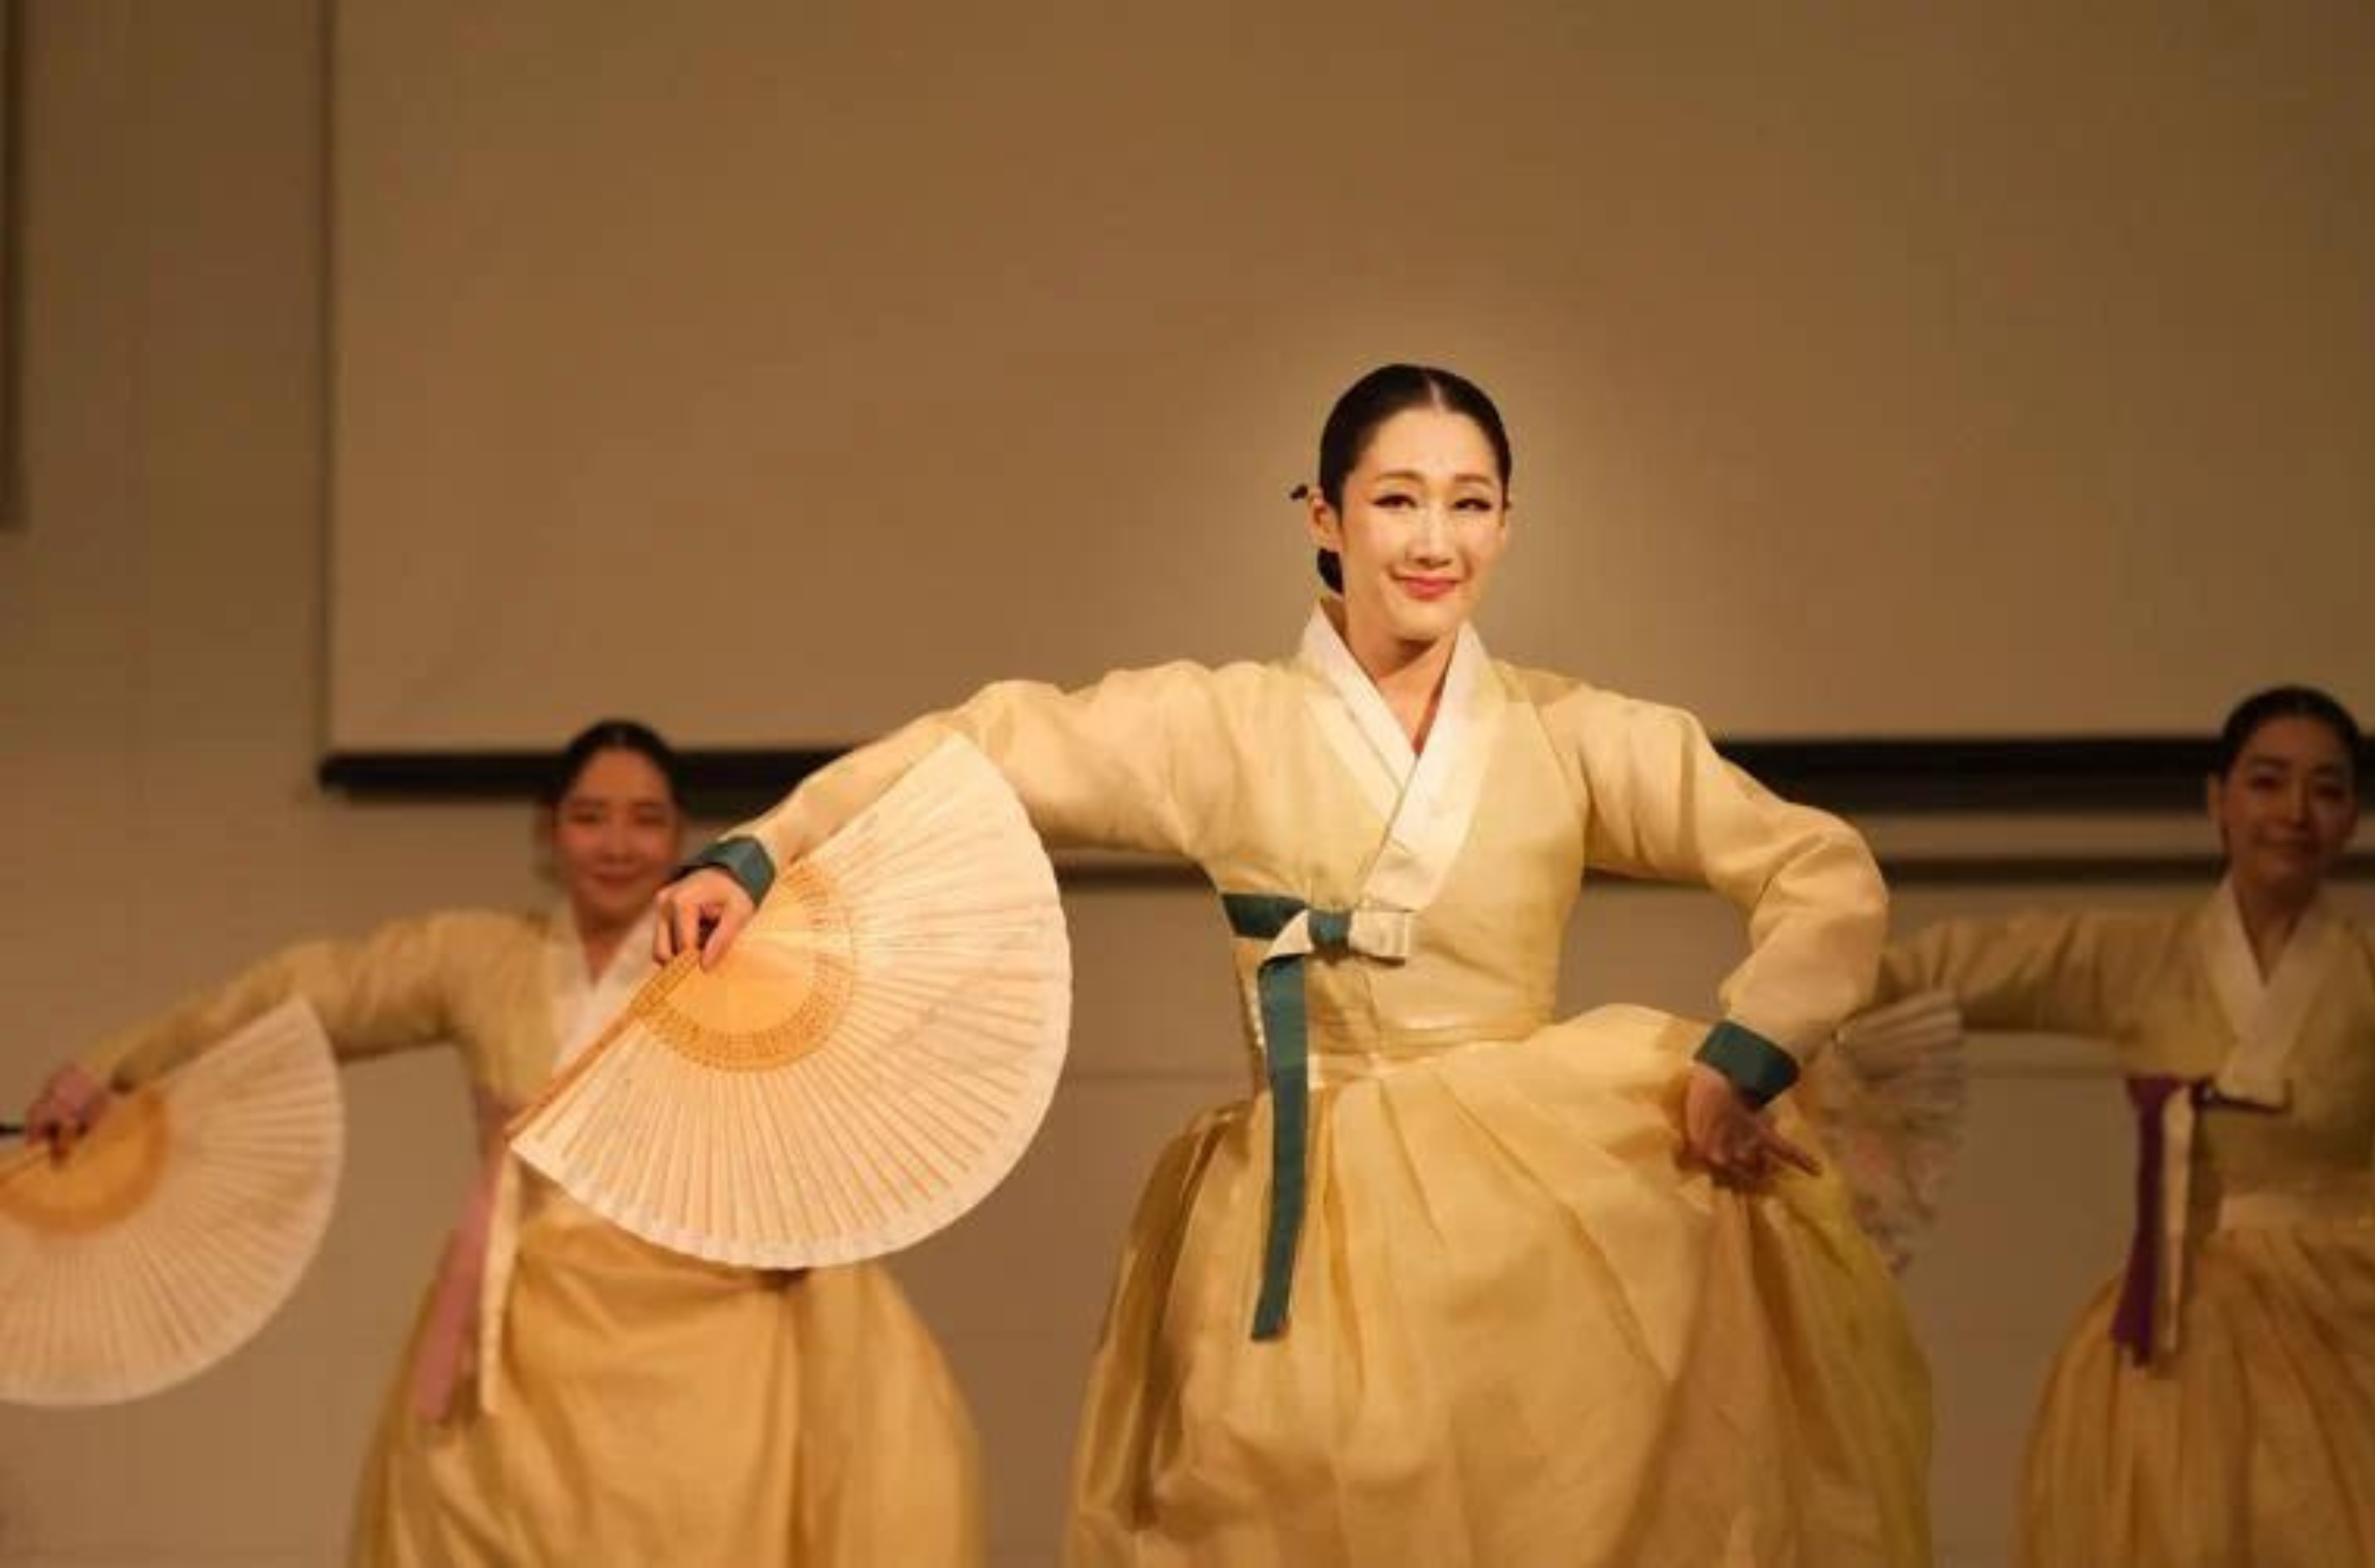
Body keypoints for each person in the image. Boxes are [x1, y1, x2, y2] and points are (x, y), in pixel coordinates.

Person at [661, 366, 1931, 1565]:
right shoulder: (1223, 729)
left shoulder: (1572, 735)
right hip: (1306, 1209)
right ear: (1326, 515)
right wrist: (765, 850)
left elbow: (1818, 866)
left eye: (1469, 502)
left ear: (1506, 524)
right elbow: (987, 748)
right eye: (1397, 499)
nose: (1434, 538)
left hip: (1545, 1227)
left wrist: (1747, 1050)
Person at [24, 720, 984, 1566]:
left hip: (707, 1342)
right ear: (547, 831)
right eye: (590, 815)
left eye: (646, 818)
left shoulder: (736, 969)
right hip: (513, 1344)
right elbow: (309, 995)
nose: (617, 842)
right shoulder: (480, 959)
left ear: (683, 838)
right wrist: (123, 1069)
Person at [1870, 686, 2372, 1565]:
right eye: (2268, 781)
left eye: (2327, 789)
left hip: (2350, 1319)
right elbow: (1958, 968)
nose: (2296, 811)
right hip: (2179, 1330)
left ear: (2353, 817)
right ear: (2219, 801)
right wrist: (1799, 1001)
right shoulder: (2142, 959)